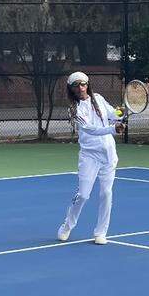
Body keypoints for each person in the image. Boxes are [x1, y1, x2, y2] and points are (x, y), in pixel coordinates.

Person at [58, 71, 124, 245]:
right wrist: (113, 129)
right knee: (83, 195)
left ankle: (101, 232)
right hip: (89, 156)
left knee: (106, 193)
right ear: (71, 89)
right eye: (76, 85)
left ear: (88, 85)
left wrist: (120, 113)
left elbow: (113, 114)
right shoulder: (74, 110)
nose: (80, 88)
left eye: (83, 84)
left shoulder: (99, 99)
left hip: (109, 155)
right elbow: (90, 129)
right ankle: (67, 225)